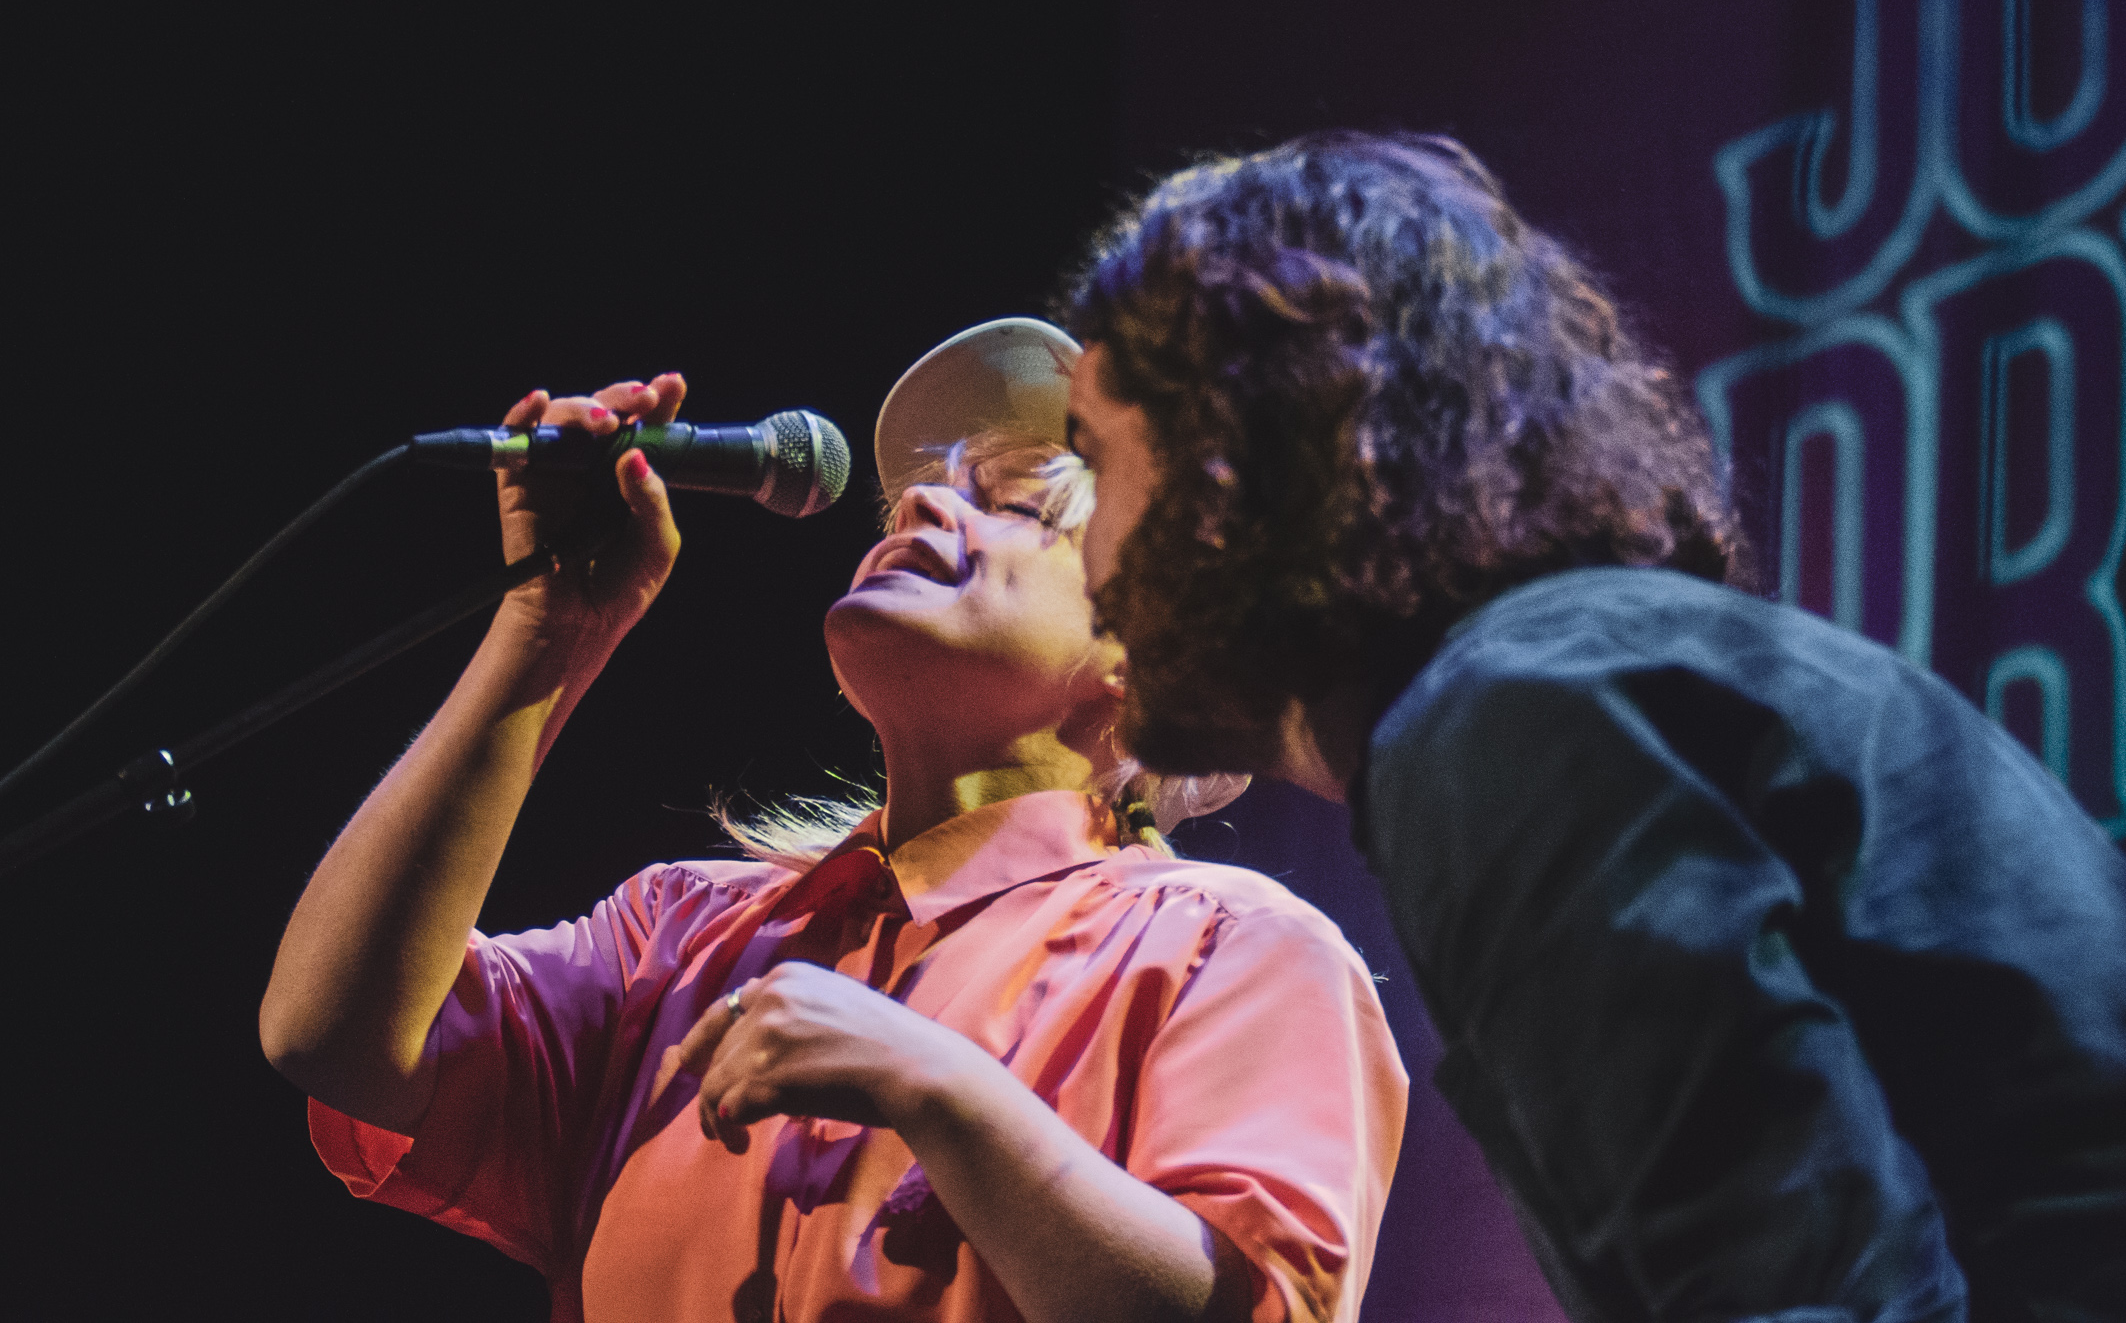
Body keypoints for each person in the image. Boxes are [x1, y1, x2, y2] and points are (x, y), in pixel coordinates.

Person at [1054, 131, 2126, 1321]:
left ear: (1238, 464)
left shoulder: (1512, 714)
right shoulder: (1570, 676)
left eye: (1098, 460)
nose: (1088, 548)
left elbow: (1794, 1293)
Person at [259, 321, 1407, 1323]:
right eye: (921, 488)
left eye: (1012, 503)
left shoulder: (1231, 950)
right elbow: (332, 1034)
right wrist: (546, 625)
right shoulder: (679, 934)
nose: (916, 499)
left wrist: (938, 1089)